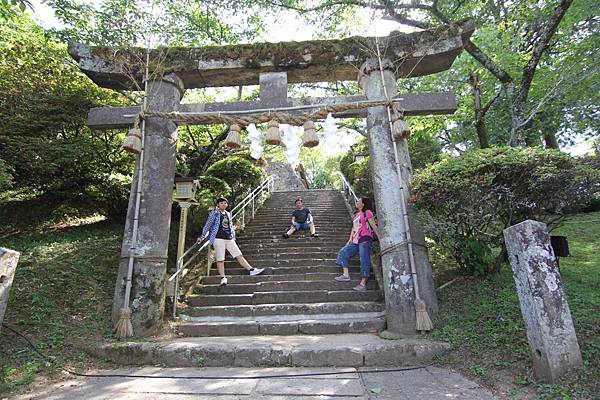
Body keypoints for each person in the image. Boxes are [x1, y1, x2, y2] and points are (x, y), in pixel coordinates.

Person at [198, 197, 264, 286]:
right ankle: (223, 278)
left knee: (238, 254)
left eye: (225, 203)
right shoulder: (214, 213)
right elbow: (208, 225)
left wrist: (233, 236)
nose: (224, 204)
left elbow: (230, 226)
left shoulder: (228, 214)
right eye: (221, 203)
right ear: (218, 204)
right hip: (218, 238)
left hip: (229, 238)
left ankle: (251, 270)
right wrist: (202, 236)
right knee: (220, 259)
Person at [334, 196, 381, 291]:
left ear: (363, 204)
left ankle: (363, 284)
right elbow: (353, 228)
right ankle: (346, 275)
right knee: (343, 252)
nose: (357, 202)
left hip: (365, 238)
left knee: (364, 259)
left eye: (358, 201)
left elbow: (373, 225)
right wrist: (349, 240)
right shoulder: (356, 215)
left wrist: (380, 238)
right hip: (355, 240)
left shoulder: (367, 213)